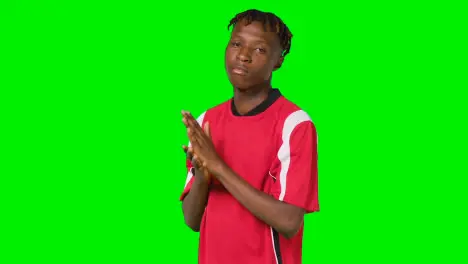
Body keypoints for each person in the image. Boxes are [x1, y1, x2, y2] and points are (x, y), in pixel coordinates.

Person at [180, 9, 319, 264]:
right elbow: (192, 220)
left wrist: (219, 167)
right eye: (236, 43)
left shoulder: (294, 125)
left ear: (279, 60)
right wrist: (202, 176)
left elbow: (289, 221)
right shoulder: (205, 122)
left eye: (260, 50)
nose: (243, 56)